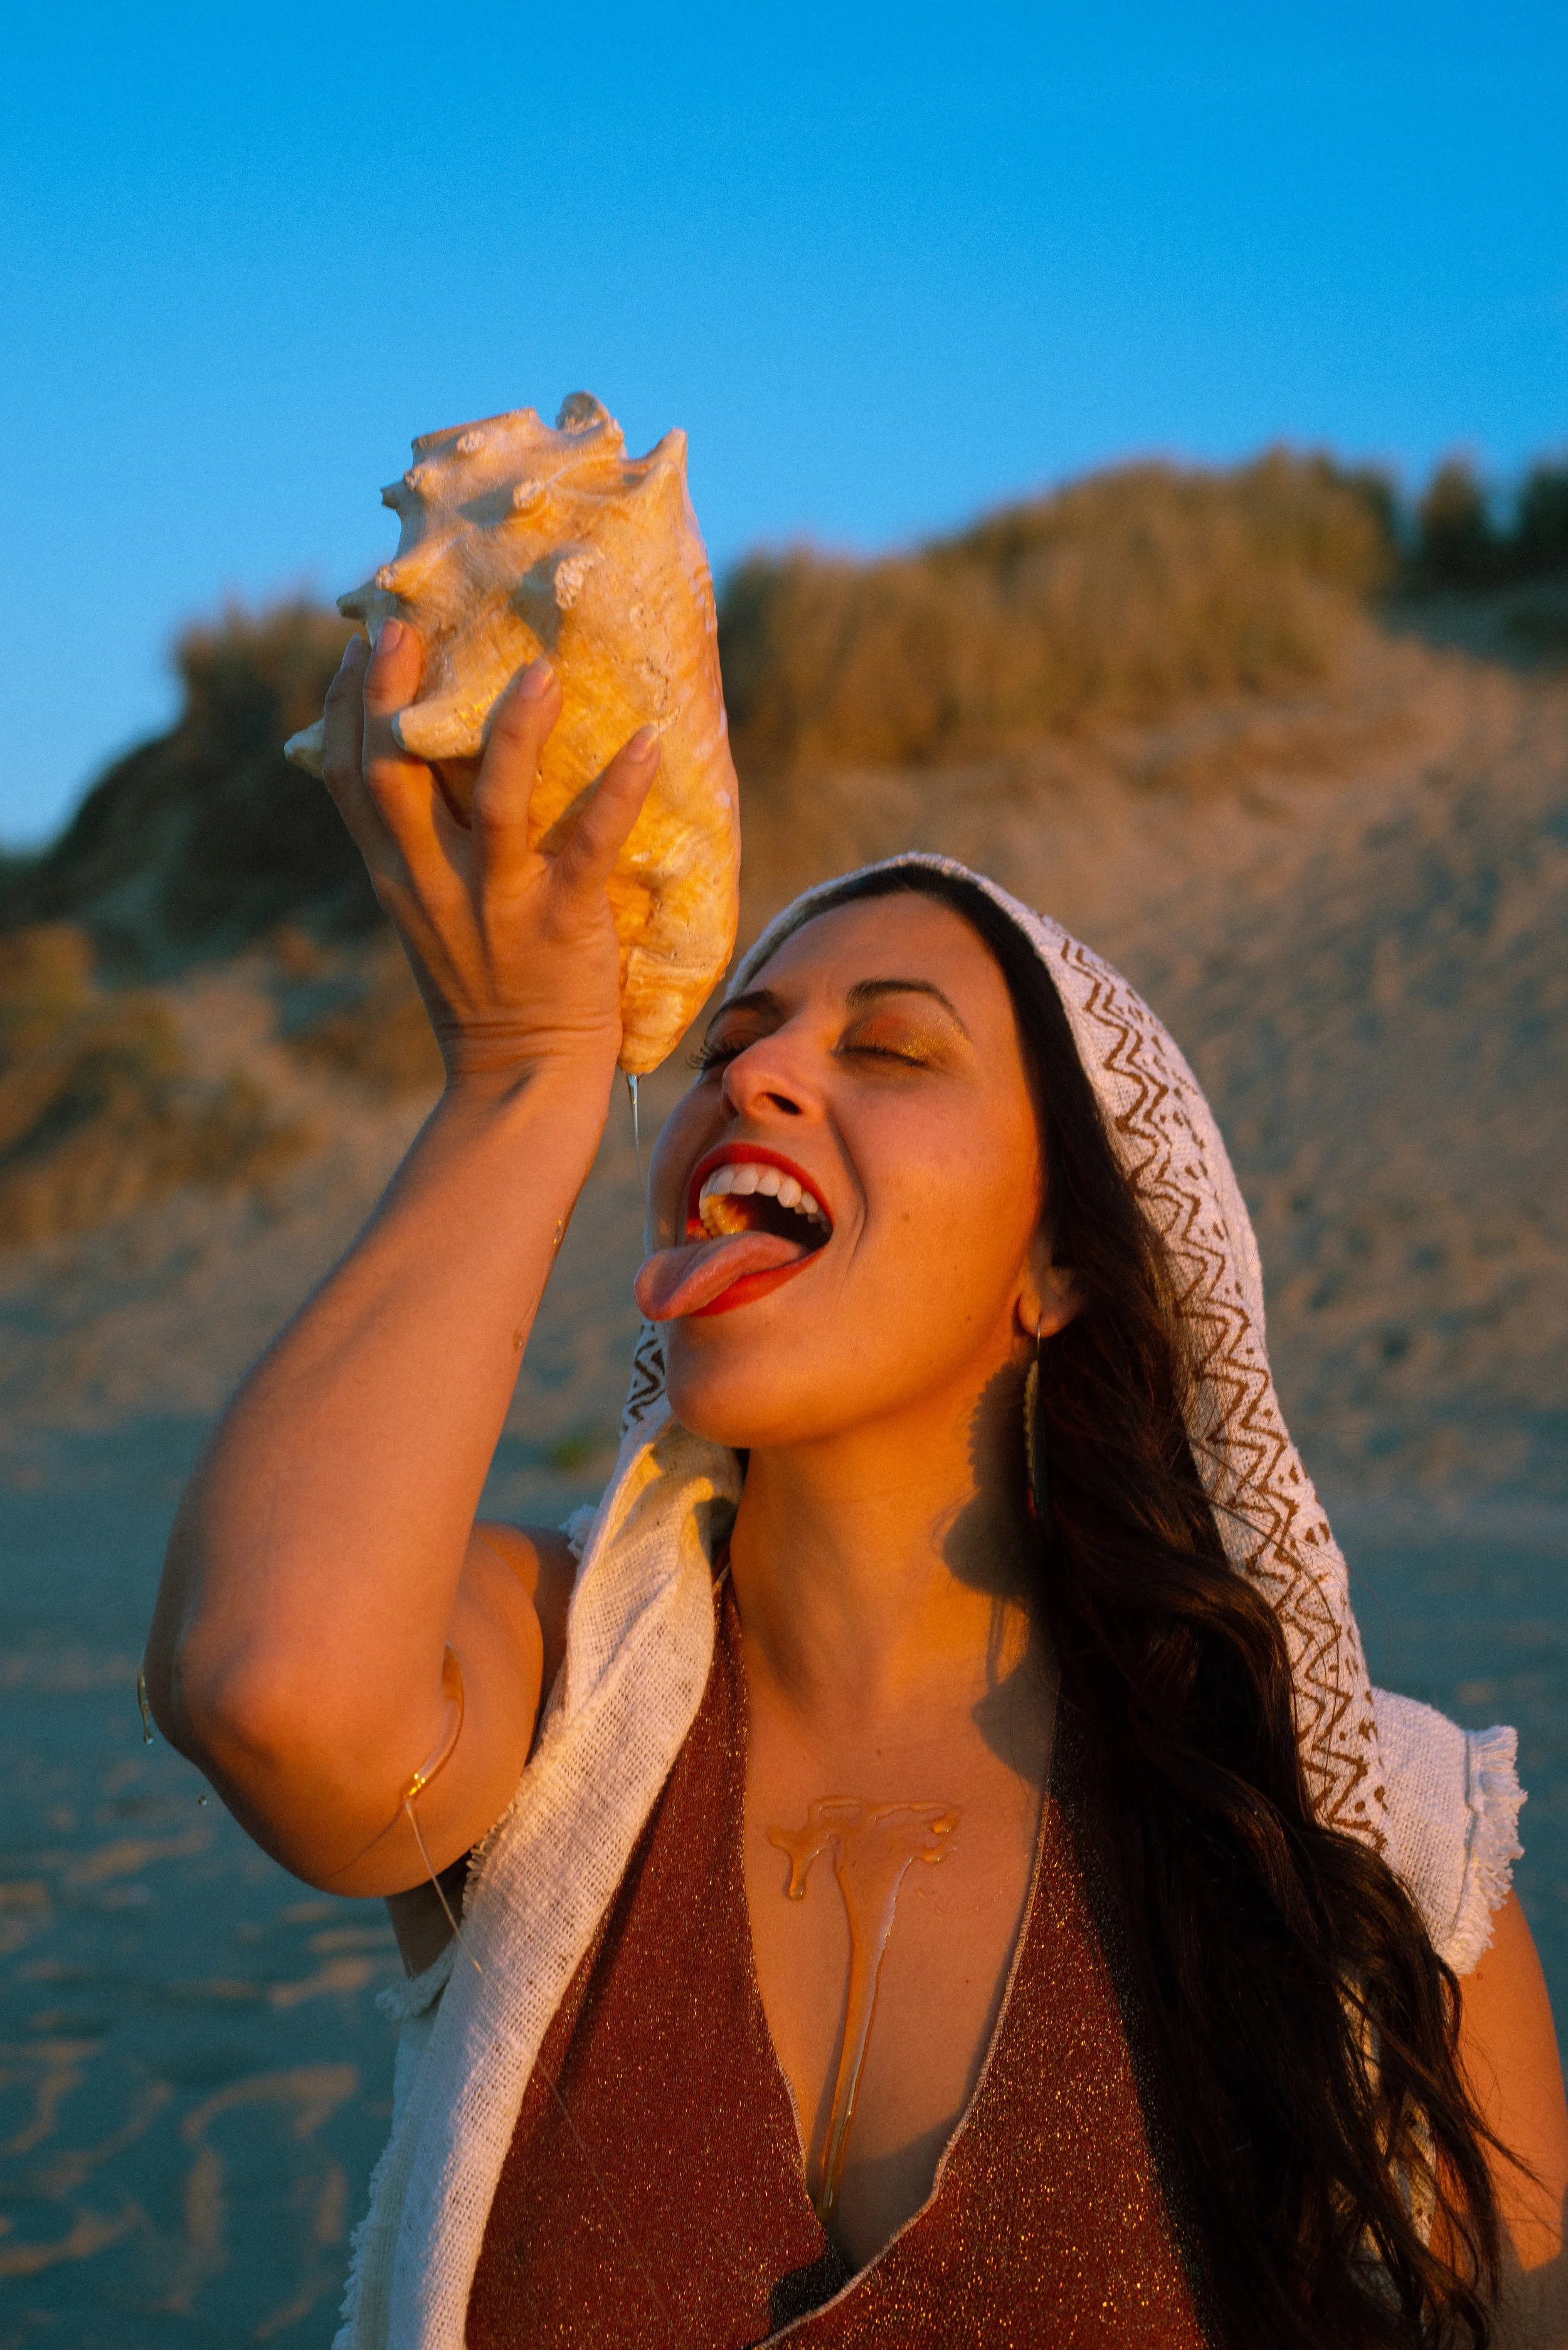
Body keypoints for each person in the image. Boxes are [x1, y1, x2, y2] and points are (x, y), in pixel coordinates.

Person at [144, 626, 1568, 2350]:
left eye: (888, 1050)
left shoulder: (1360, 1846)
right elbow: (266, 1684)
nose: (754, 1070)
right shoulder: (550, 1700)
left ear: (1059, 1266)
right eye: (725, 1044)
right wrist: (523, 1077)